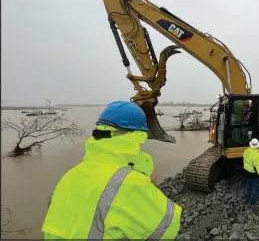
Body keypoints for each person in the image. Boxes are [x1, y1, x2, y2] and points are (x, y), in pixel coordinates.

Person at [41, 101, 182, 240]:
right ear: (137, 136)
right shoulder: (130, 182)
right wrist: (150, 188)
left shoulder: (70, 175)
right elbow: (167, 228)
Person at [243, 138, 259, 206]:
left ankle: (247, 200)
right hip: (254, 174)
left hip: (246, 172)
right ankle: (251, 203)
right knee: (256, 189)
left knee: (248, 187)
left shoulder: (246, 151)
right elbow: (258, 167)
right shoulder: (257, 155)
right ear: (257, 145)